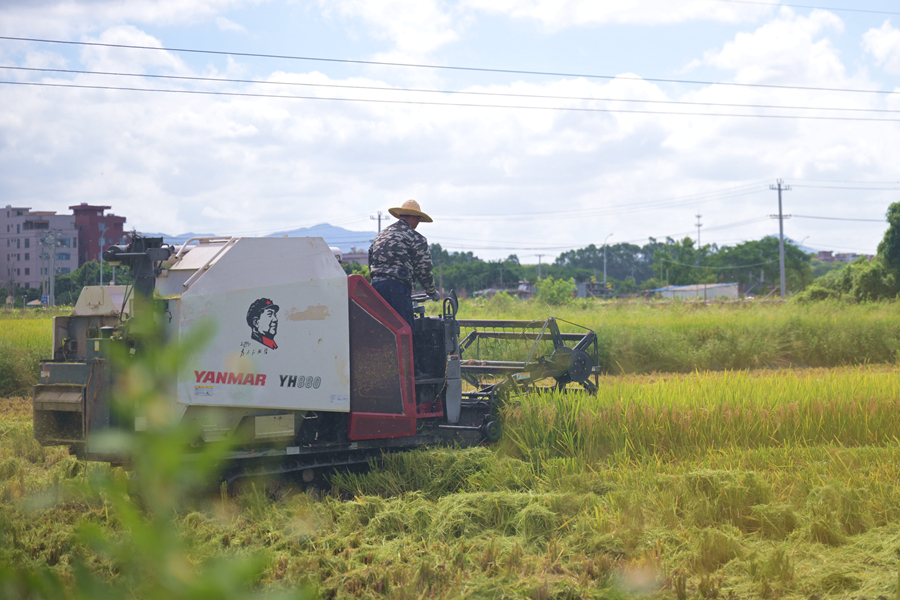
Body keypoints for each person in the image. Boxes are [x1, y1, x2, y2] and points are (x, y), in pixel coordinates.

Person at [368, 199, 440, 376]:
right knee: (405, 329)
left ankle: (383, 371)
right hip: (397, 287)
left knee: (382, 330)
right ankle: (411, 373)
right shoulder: (415, 238)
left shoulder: (381, 235)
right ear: (414, 218)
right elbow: (424, 270)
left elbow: (371, 257)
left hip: (375, 287)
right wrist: (432, 292)